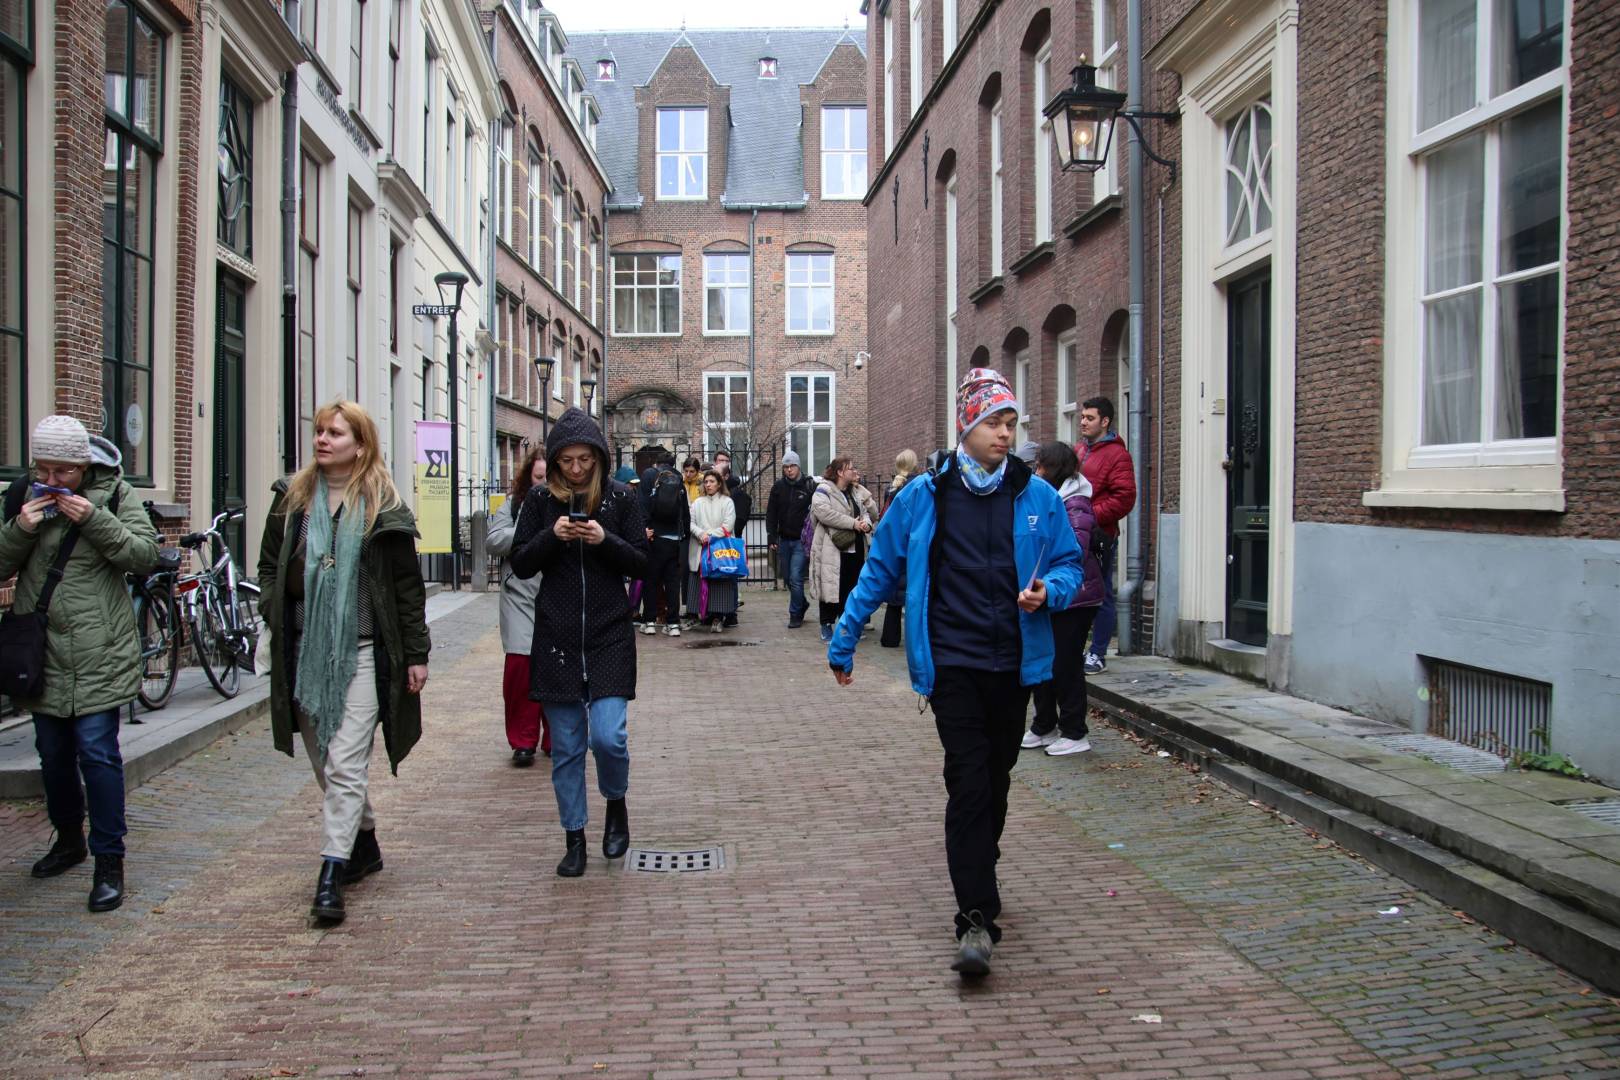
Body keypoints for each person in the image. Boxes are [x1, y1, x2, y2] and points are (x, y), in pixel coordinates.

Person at [826, 369, 1083, 978]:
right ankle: (975, 917)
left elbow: (1071, 565)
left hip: (1015, 667)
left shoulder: (1037, 496)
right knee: (968, 783)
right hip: (953, 666)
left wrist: (1049, 591)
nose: (1004, 433)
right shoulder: (925, 495)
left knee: (996, 780)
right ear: (966, 426)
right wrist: (844, 639)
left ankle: (980, 863)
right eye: (993, 422)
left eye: (1010, 423)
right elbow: (880, 570)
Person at [258, 401, 432, 924]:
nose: (322, 440)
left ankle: (331, 874)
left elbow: (407, 588)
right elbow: (267, 568)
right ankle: (365, 841)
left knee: (345, 762)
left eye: (335, 433)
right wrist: (273, 606)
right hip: (306, 652)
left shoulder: (384, 508)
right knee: (324, 761)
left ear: (360, 445)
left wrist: (416, 654)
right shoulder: (290, 501)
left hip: (363, 652)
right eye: (319, 431)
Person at [0, 415, 158, 913]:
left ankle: (109, 861)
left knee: (97, 754)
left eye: (63, 471)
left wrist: (92, 518)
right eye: (43, 469)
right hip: (42, 651)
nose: (52, 479)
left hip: (99, 650)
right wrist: (21, 528)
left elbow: (144, 555)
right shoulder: (22, 494)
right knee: (52, 754)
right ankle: (69, 839)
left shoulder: (115, 494)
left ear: (83, 466)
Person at [509, 408, 649, 877]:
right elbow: (521, 563)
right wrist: (552, 537)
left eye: (584, 460)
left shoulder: (620, 498)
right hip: (557, 638)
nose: (575, 469)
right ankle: (574, 838)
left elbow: (642, 563)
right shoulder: (539, 502)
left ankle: (616, 802)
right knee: (567, 748)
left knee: (609, 737)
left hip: (609, 634)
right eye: (566, 460)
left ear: (599, 458)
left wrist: (604, 539)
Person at [1023, 442, 1106, 756]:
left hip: (1076, 598)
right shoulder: (1048, 497)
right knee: (1044, 659)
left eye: (1040, 465)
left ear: (1052, 468)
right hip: (1050, 594)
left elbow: (1074, 550)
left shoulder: (1075, 503)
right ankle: (1044, 725)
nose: (1036, 471)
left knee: (1066, 663)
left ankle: (1074, 731)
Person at [485, 447, 551, 765]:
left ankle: (556, 736)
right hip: (520, 595)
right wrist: (527, 532)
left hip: (556, 593)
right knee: (520, 668)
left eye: (549, 477)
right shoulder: (514, 505)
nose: (543, 484)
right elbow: (493, 540)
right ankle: (523, 740)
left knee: (556, 666)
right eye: (538, 477)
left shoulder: (569, 503)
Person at [1076, 396, 1136, 675]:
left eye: (1089, 418)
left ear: (1105, 421)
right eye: (1082, 417)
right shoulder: (1079, 450)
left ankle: (1098, 653)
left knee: (1101, 592)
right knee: (1077, 591)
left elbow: (1125, 498)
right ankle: (1079, 648)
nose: (1083, 422)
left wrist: (1089, 516)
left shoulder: (1117, 455)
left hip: (1099, 535)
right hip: (1076, 532)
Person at [808, 456, 873, 644]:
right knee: (830, 585)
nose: (854, 471)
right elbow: (824, 513)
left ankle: (847, 625)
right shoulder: (823, 490)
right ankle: (826, 625)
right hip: (831, 548)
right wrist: (853, 523)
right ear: (840, 472)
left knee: (851, 587)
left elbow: (867, 512)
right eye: (850, 468)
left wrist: (866, 524)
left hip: (855, 548)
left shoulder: (854, 492)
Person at [764, 450, 814, 628]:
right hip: (783, 539)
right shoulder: (778, 487)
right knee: (786, 577)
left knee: (795, 577)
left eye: (792, 466)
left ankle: (795, 614)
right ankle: (802, 603)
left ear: (798, 466)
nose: (789, 470)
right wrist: (771, 536)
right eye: (786, 467)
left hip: (801, 540)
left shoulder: (809, 486)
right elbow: (771, 513)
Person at [640, 452, 689, 637]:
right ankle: (673, 623)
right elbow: (684, 510)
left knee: (651, 580)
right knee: (672, 582)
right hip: (674, 539)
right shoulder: (678, 478)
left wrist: (645, 529)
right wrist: (683, 535)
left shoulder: (649, 475)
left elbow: (642, 505)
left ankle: (650, 621)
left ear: (656, 463)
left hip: (654, 537)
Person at [687, 468, 737, 633]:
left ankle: (718, 618)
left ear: (719, 484)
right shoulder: (697, 503)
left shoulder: (727, 502)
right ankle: (698, 616)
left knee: (719, 584)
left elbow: (728, 525)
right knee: (698, 582)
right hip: (700, 547)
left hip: (719, 550)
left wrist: (709, 535)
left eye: (712, 481)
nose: (708, 485)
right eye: (706, 482)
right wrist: (700, 534)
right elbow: (690, 522)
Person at [878, 450, 920, 648]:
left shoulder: (892, 489)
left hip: (895, 543)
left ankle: (890, 637)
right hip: (913, 542)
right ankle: (914, 640)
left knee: (894, 595)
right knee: (914, 594)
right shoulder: (918, 486)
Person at [712, 451, 751, 628]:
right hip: (715, 539)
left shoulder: (735, 494)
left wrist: (731, 532)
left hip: (729, 540)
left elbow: (738, 519)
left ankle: (730, 612)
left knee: (730, 575)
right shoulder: (712, 493)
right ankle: (717, 611)